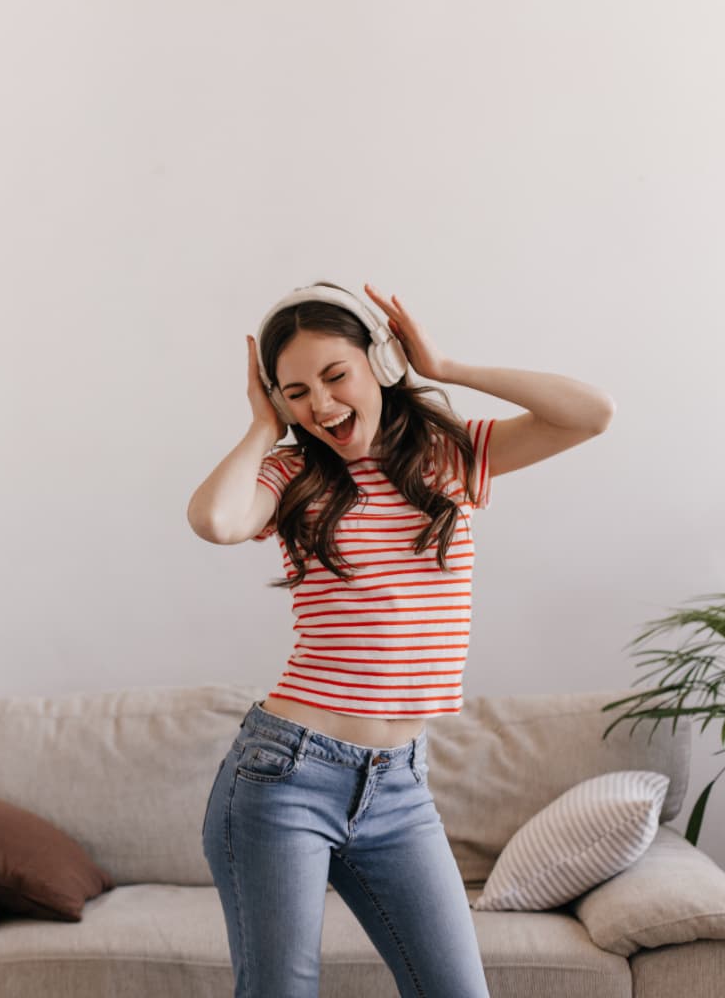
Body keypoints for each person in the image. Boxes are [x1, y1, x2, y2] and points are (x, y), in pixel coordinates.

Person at [187, 281, 615, 998]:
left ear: (380, 363)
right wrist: (264, 427)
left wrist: (444, 366)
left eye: (335, 375)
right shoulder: (291, 476)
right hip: (286, 776)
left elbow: (592, 414)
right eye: (296, 391)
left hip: (400, 786)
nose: (320, 405)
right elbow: (216, 521)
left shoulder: (451, 457)